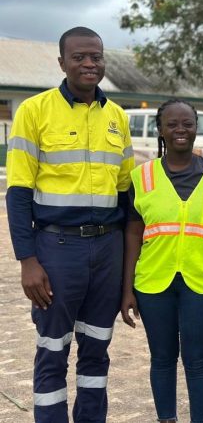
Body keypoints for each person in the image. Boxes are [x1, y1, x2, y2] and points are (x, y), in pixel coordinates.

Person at [5, 27, 134, 423]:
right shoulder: (34, 111)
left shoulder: (117, 117)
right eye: (79, 57)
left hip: (108, 250)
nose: (89, 64)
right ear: (62, 63)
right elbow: (18, 193)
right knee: (53, 349)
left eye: (96, 56)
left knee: (97, 349)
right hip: (58, 250)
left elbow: (126, 196)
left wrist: (128, 270)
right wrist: (27, 260)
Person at [120, 99, 203, 423]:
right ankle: (166, 419)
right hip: (152, 281)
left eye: (187, 123)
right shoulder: (142, 176)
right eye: (171, 124)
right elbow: (133, 234)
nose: (180, 130)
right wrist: (127, 289)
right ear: (160, 130)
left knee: (197, 359)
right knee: (162, 358)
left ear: (196, 127)